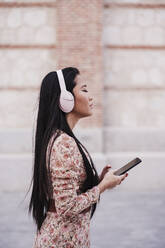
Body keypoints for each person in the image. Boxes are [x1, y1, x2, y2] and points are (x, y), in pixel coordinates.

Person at [28, 67, 128, 248]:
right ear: (65, 99)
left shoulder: (58, 138)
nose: (91, 97)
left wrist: (98, 182)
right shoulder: (64, 143)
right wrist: (104, 187)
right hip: (61, 241)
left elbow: (66, 193)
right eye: (84, 89)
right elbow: (66, 207)